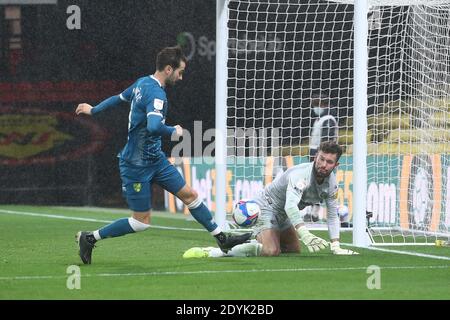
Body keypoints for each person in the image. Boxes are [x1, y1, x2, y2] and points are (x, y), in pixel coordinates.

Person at [74, 46, 251, 264]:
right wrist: (173, 130)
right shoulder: (156, 93)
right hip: (135, 164)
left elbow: (118, 98)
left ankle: (221, 238)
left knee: (190, 195)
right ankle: (90, 238)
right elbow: (154, 126)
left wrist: (94, 110)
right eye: (180, 71)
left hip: (155, 159)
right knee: (141, 222)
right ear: (168, 69)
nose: (181, 76)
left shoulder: (142, 82)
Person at [183, 141, 358, 258]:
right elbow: (291, 205)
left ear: (336, 165)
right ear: (315, 157)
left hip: (283, 214)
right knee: (271, 251)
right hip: (267, 206)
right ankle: (218, 251)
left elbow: (333, 215)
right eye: (321, 159)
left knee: (293, 250)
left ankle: (254, 239)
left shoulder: (332, 184)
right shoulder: (301, 175)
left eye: (329, 162)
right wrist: (304, 233)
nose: (323, 164)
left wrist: (336, 245)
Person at [308, 93, 338, 162]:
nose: (315, 107)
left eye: (317, 105)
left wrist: (321, 155)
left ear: (325, 105)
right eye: (314, 105)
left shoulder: (328, 119)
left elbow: (327, 140)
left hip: (322, 154)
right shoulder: (319, 119)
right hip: (314, 152)